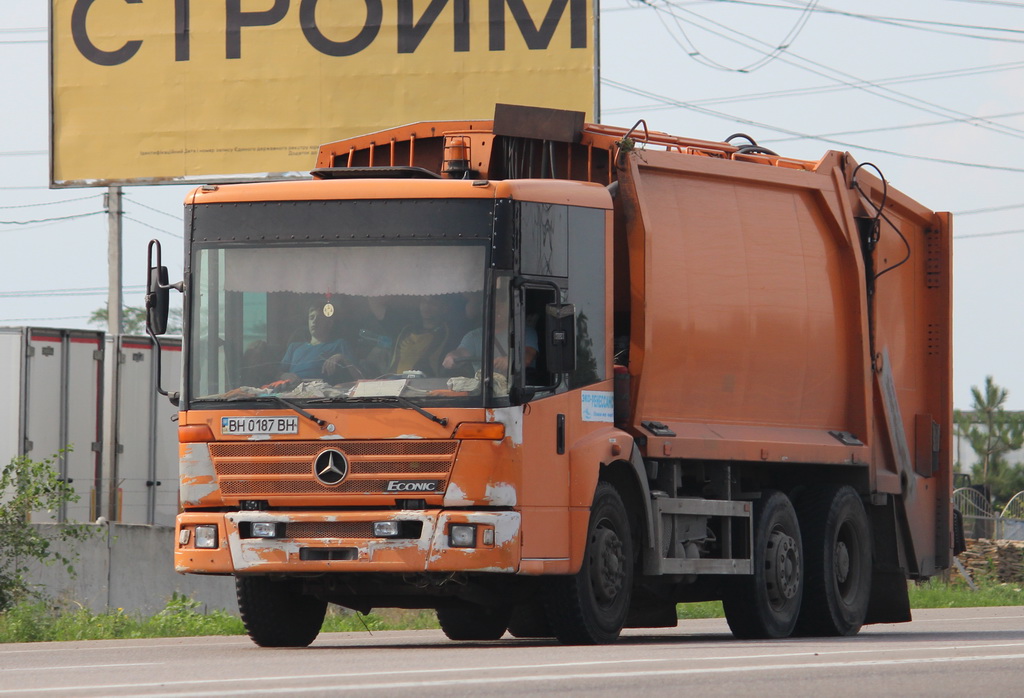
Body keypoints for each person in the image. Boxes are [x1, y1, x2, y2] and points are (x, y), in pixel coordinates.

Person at [280, 304, 359, 383]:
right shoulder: (294, 347)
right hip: (292, 390)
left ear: (329, 323)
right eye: (311, 318)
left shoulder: (339, 344)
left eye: (320, 318)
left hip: (323, 391)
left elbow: (359, 377)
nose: (314, 321)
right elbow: (278, 373)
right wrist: (284, 376)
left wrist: (342, 358)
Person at [388, 295, 454, 376]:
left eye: (433, 303)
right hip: (391, 382)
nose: (426, 306)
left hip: (426, 384)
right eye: (424, 301)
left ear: (444, 308)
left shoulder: (447, 333)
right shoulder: (406, 330)